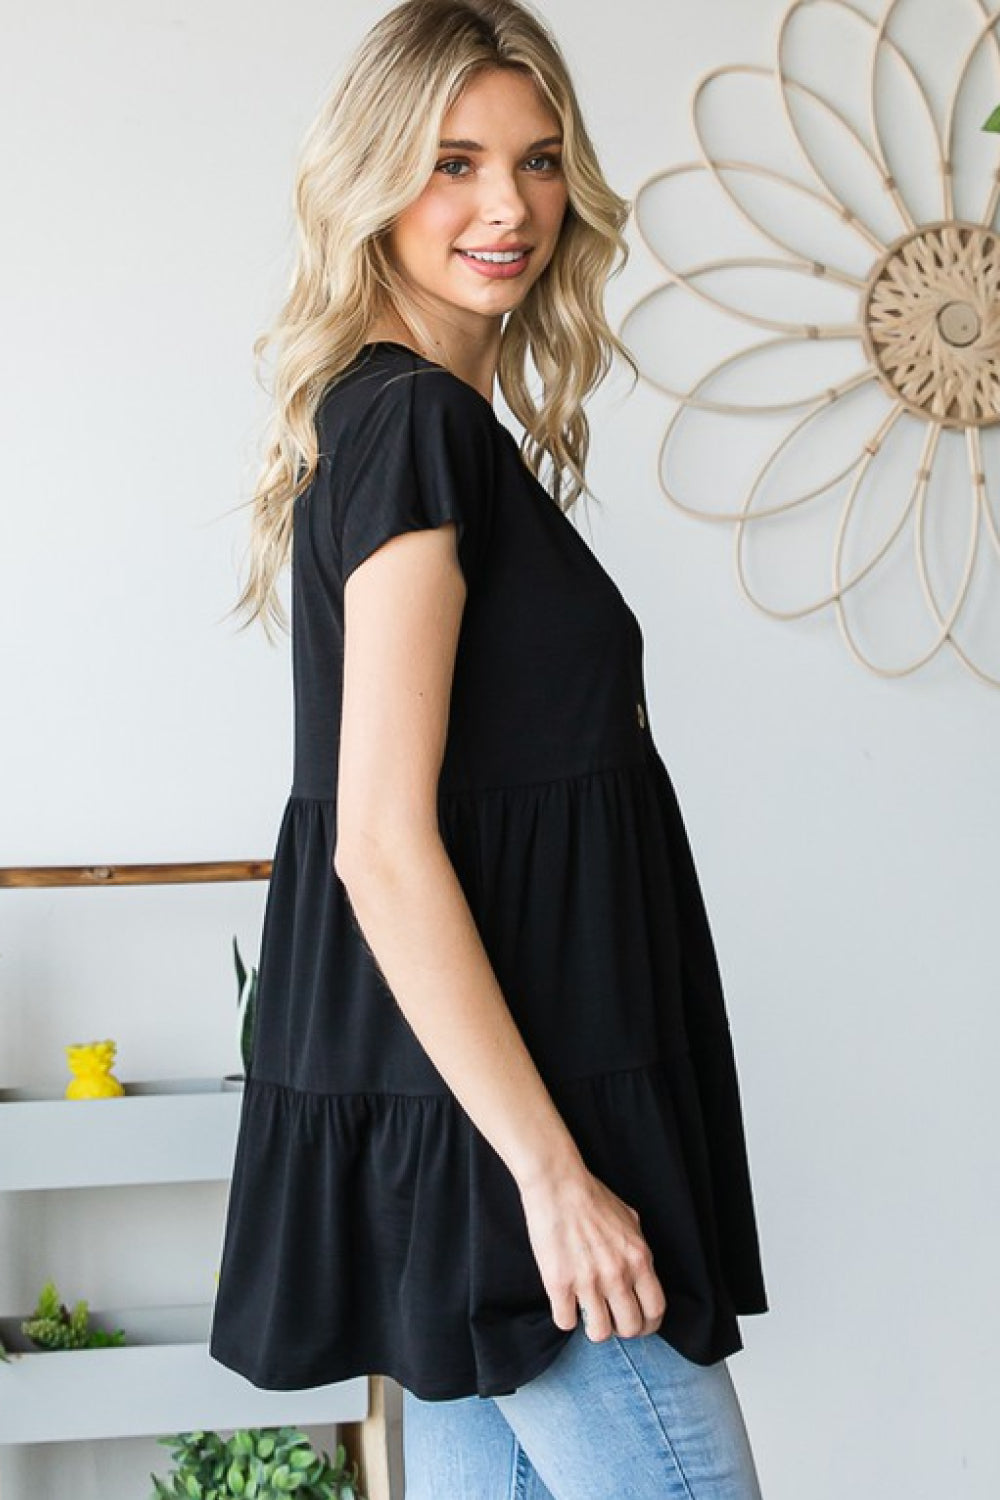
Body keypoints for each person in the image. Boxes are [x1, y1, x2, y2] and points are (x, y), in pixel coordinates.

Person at [209, 1, 769, 1495]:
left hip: (485, 1116)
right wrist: (554, 1176)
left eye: (537, 159)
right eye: (453, 163)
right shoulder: (415, 430)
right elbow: (379, 843)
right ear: (372, 177)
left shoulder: (405, 419)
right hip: (518, 1133)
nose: (508, 206)